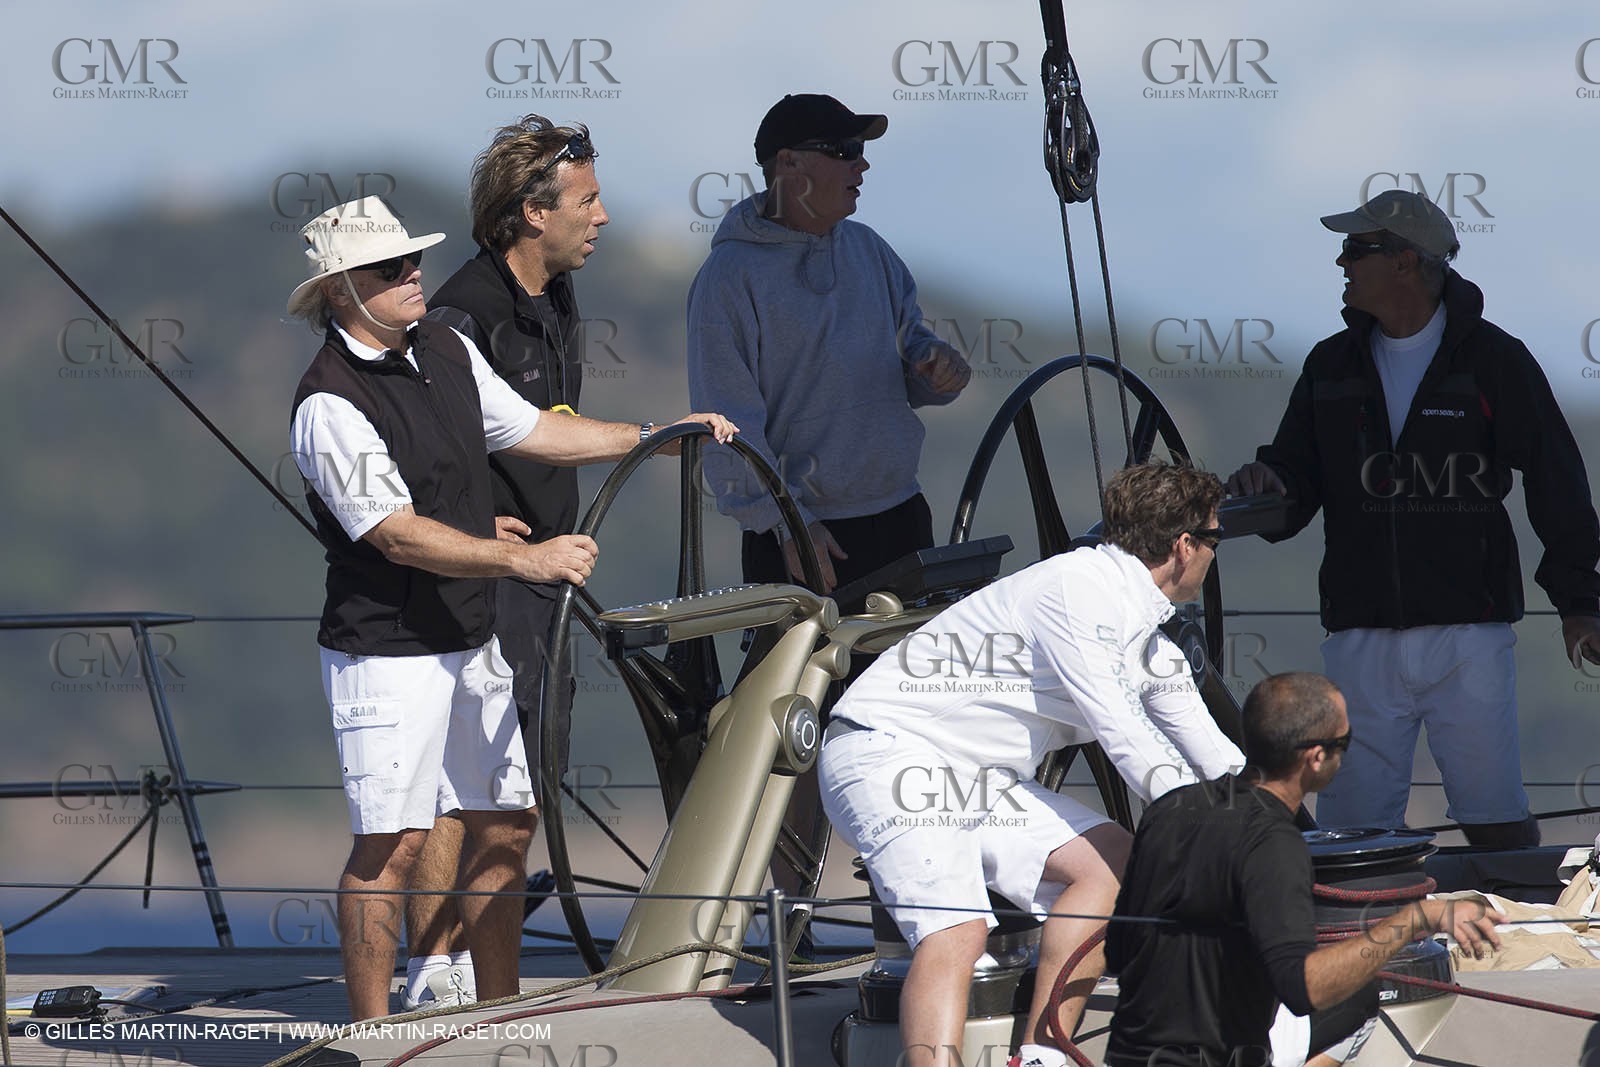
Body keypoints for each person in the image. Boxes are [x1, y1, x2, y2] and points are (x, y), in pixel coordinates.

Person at [285, 195, 735, 1019]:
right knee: (392, 844)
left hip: (469, 634)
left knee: (506, 821)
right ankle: (371, 1036)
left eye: (413, 258)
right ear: (342, 292)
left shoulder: (445, 347)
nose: (414, 273)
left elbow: (532, 430)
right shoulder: (328, 404)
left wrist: (655, 434)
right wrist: (524, 558)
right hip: (384, 652)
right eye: (390, 267)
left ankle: (498, 1012)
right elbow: (395, 535)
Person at [818, 462, 1247, 1067]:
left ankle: (1043, 1056)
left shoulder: (1148, 638)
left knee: (1115, 863)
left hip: (974, 776)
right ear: (1184, 545)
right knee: (957, 930)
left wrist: (1277, 839)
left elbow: (1218, 761)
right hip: (887, 752)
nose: (1214, 553)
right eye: (1215, 538)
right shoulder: (1077, 591)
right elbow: (1125, 735)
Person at [1227, 189, 1600, 846]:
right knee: (1351, 835)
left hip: (1470, 635)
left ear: (1405, 261)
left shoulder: (1495, 360)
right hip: (1359, 634)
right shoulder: (1328, 366)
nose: (1341, 262)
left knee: (1495, 821)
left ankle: (1517, 912)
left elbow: (1557, 481)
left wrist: (1580, 603)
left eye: (1356, 248)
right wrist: (1268, 481)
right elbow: (1294, 480)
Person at [402, 115, 613, 1011]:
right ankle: (432, 968)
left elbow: (542, 430)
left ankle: (483, 968)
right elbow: (406, 436)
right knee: (462, 782)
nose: (602, 216)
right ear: (533, 212)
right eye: (586, 200)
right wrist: (465, 517)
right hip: (483, 578)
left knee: (520, 777)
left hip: (547, 576)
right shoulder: (461, 314)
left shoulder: (556, 297)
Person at [1106, 672, 1506, 1067]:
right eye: (1344, 743)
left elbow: (1119, 952)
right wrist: (1418, 917)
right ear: (1315, 758)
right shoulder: (1275, 843)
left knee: (1352, 1000)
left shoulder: (1169, 809)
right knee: (1360, 998)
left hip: (1128, 1055)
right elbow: (1305, 989)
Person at [687, 92, 972, 595]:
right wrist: (789, 525)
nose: (862, 164)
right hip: (804, 541)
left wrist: (935, 370)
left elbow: (912, 352)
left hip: (904, 518)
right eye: (845, 150)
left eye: (860, 150)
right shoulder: (727, 279)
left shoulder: (871, 250)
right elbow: (727, 429)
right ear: (788, 163)